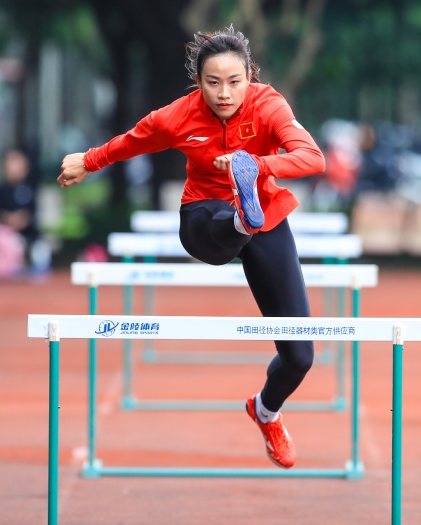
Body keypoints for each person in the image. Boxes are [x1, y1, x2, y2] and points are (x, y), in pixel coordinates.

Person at [57, 25, 325, 469]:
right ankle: (240, 216)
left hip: (266, 212)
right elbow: (132, 141)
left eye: (235, 82)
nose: (224, 93)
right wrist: (87, 161)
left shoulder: (268, 104)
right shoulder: (178, 116)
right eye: (213, 82)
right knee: (223, 224)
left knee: (299, 355)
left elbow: (312, 157)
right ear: (197, 83)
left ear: (249, 76)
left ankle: (265, 411)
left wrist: (254, 163)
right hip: (204, 217)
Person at [0, 147, 50, 278]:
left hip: (27, 233)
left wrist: (21, 221)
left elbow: (32, 214)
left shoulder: (30, 191)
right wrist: (6, 220)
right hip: (1, 233)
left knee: (39, 248)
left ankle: (34, 267)